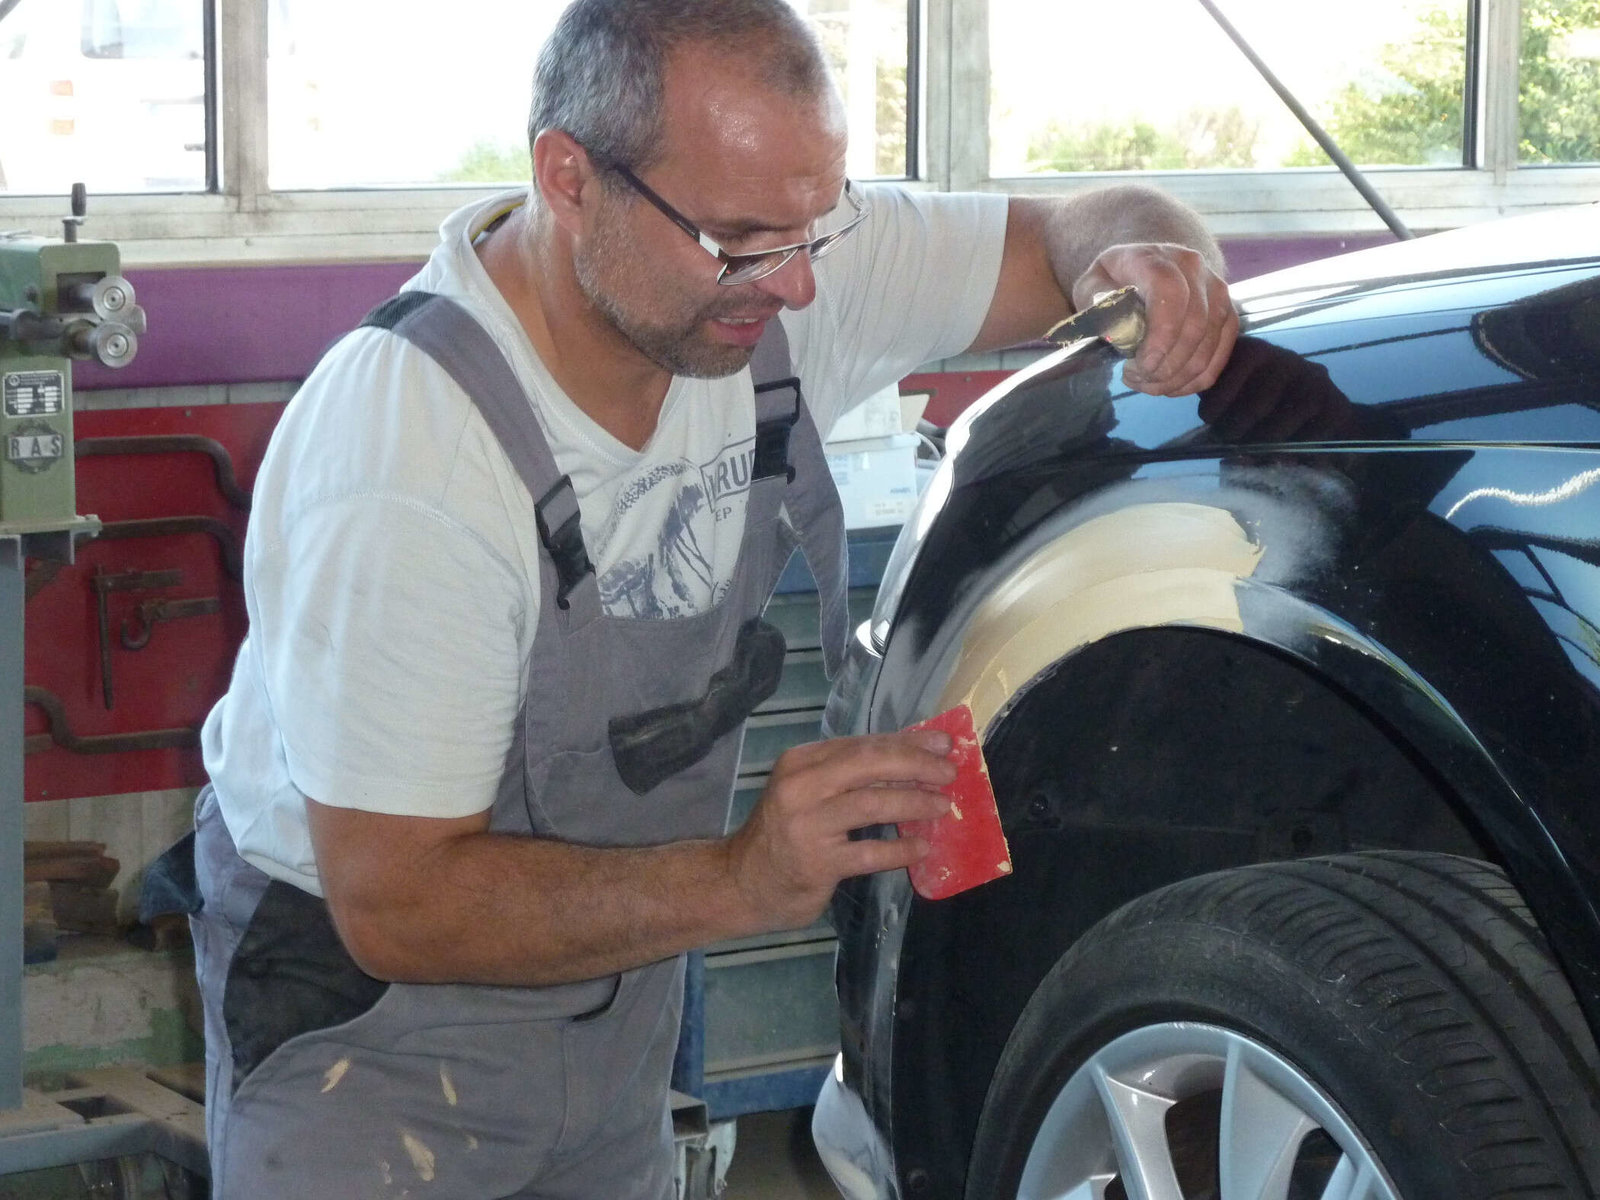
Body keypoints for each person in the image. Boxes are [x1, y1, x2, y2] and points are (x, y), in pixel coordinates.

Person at [189, 0, 1238, 1195]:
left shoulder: (773, 266)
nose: (793, 286)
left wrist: (1156, 255)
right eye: (741, 240)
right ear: (567, 177)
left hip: (617, 989)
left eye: (813, 230)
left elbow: (1064, 230)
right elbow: (400, 901)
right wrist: (740, 876)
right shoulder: (410, 457)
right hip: (371, 1021)